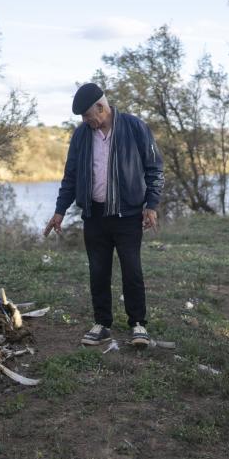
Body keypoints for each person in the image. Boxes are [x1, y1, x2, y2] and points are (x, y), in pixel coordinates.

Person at [43, 83, 164, 348]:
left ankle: (138, 324)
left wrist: (151, 205)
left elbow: (155, 168)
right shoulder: (82, 135)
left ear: (101, 107)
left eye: (88, 115)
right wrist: (60, 211)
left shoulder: (135, 127)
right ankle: (102, 324)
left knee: (132, 270)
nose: (87, 121)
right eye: (84, 118)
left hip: (128, 214)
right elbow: (71, 176)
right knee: (98, 271)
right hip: (94, 215)